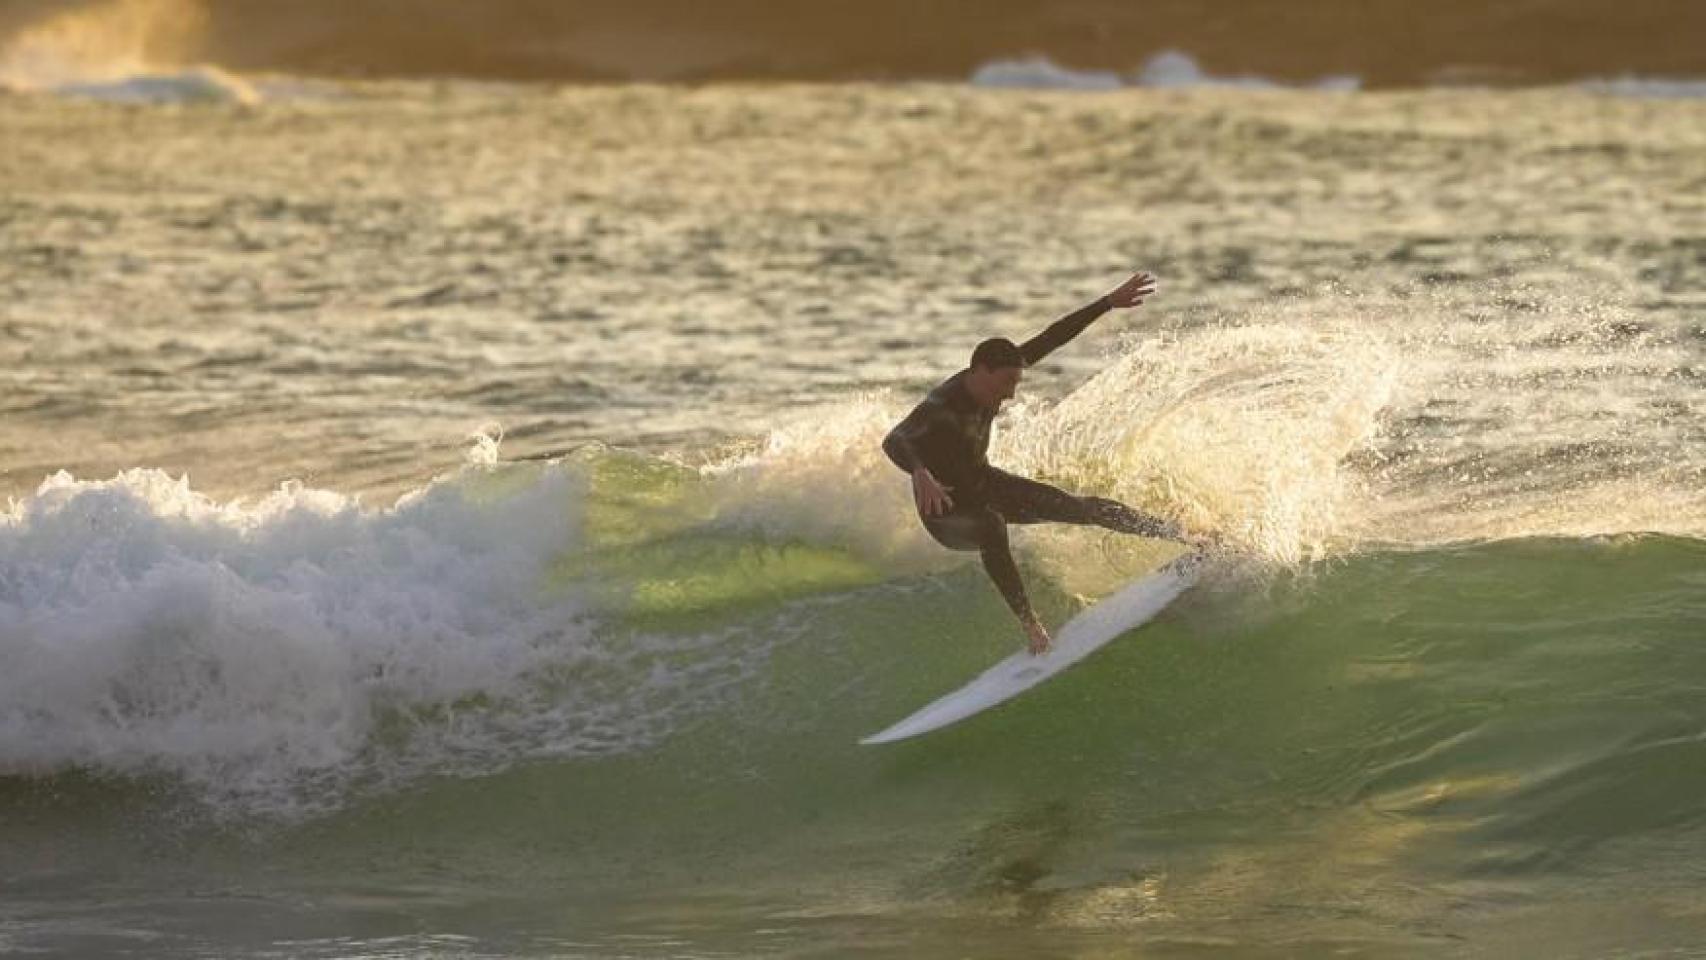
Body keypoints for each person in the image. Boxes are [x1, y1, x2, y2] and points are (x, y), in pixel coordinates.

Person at [882, 271, 1188, 655]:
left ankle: (1182, 533)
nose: (1010, 394)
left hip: (983, 483)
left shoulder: (995, 377)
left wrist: (1108, 303)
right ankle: (1031, 625)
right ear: (980, 371)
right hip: (946, 512)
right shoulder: (943, 405)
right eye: (1005, 382)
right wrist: (921, 473)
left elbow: (1052, 336)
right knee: (992, 526)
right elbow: (894, 439)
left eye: (1016, 382)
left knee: (1079, 507)